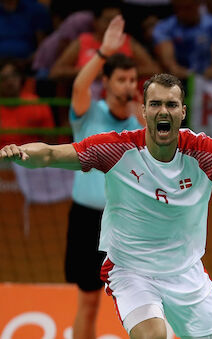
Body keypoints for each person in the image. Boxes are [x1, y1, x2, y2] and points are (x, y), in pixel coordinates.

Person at [0, 72, 212, 338]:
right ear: (143, 111)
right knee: (153, 334)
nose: (163, 111)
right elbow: (50, 154)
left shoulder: (203, 152)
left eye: (171, 104)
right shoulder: (116, 149)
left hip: (184, 270)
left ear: (182, 111)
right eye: (155, 104)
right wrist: (21, 152)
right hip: (131, 268)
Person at [64, 15, 144, 339]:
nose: (129, 85)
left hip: (128, 222)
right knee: (88, 303)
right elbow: (79, 85)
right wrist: (103, 52)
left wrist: (146, 116)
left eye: (133, 80)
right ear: (107, 82)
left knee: (141, 305)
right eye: (122, 79)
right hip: (86, 220)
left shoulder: (142, 123)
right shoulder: (88, 114)